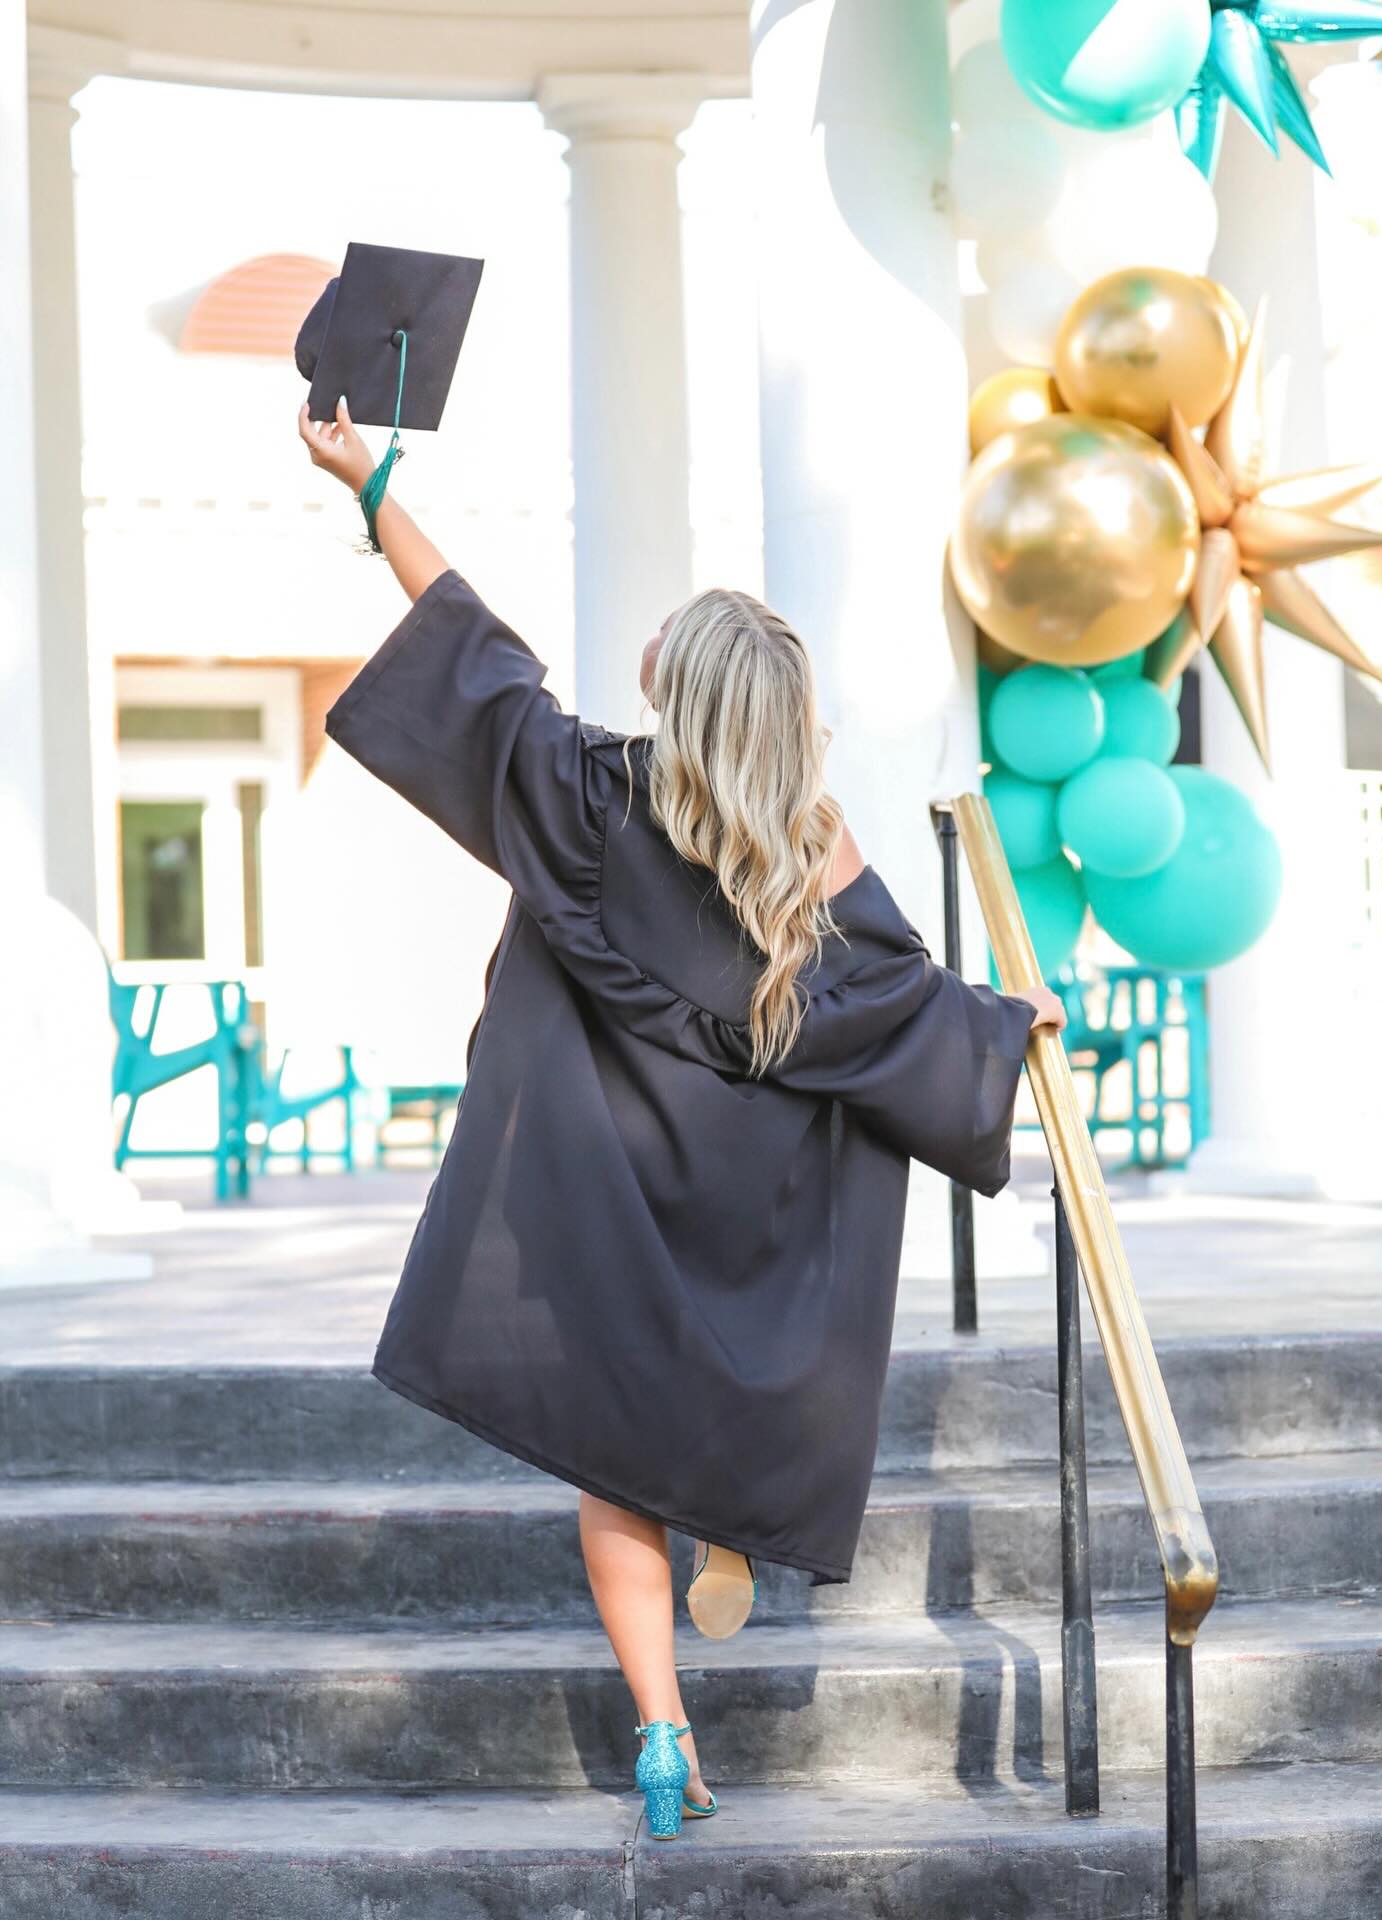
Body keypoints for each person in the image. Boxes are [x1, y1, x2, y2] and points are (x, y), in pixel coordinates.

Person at [299, 397, 1066, 1839]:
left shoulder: (589, 795)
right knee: (709, 1384)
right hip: (739, 1198)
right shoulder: (808, 851)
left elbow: (468, 642)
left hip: (604, 1189)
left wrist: (372, 478)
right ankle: (725, 1525)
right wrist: (1003, 1024)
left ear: (684, 695)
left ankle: (662, 1736)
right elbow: (900, 1000)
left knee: (616, 1459)